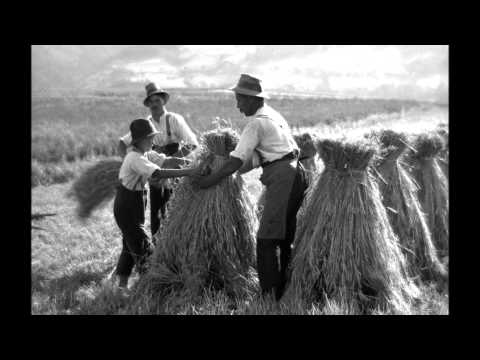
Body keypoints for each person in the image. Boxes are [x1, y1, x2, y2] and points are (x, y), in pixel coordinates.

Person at [193, 74, 309, 301]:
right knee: (284, 236)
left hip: (284, 177)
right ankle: (285, 289)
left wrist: (208, 181)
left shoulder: (256, 123)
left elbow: (236, 162)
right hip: (296, 174)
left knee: (267, 238)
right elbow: (255, 159)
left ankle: (269, 297)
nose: (237, 106)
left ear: (253, 99)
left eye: (240, 100)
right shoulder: (273, 115)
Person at [113, 118, 199, 290]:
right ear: (139, 140)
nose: (154, 141)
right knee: (144, 247)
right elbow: (158, 173)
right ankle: (152, 286)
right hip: (126, 206)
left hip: (135, 202)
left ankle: (121, 286)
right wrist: (190, 172)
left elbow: (168, 161)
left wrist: (194, 163)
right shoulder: (134, 158)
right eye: (150, 138)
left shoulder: (147, 154)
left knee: (129, 245)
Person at [118, 83, 199, 239]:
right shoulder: (145, 124)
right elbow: (123, 142)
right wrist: (125, 161)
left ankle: (176, 239)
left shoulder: (174, 119)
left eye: (157, 100)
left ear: (163, 101)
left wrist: (177, 161)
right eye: (151, 101)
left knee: (174, 207)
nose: (154, 104)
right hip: (154, 169)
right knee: (156, 209)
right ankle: (157, 242)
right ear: (147, 104)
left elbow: (192, 143)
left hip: (172, 168)